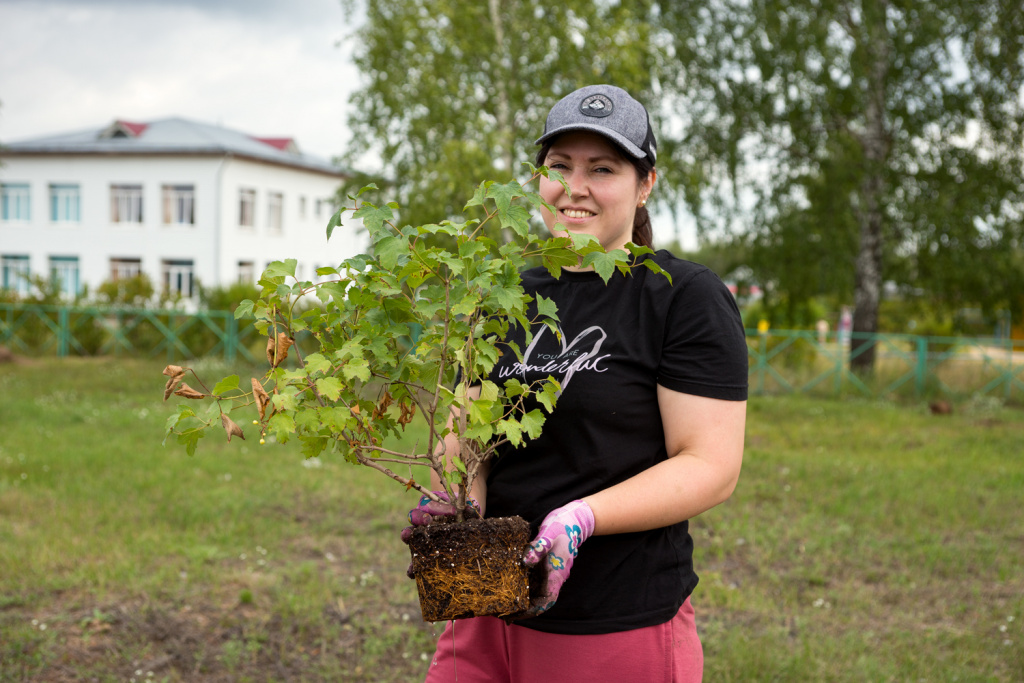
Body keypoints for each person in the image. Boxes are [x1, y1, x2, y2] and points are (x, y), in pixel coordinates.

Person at [405, 84, 748, 682]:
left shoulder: (680, 297)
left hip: (614, 621)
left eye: (603, 168)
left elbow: (710, 465)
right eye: (559, 166)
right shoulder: (505, 296)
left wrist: (581, 518)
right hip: (484, 610)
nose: (575, 187)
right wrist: (455, 502)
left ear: (646, 184)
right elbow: (464, 437)